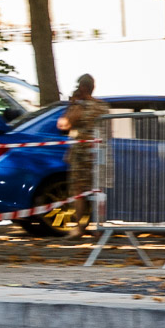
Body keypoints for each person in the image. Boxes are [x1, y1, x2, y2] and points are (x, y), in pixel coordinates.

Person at [58, 73, 110, 231]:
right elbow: (108, 132)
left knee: (78, 190)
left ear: (82, 87)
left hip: (81, 154)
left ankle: (79, 228)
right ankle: (99, 228)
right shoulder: (103, 106)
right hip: (99, 153)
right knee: (98, 190)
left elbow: (63, 125)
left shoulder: (81, 106)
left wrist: (72, 105)